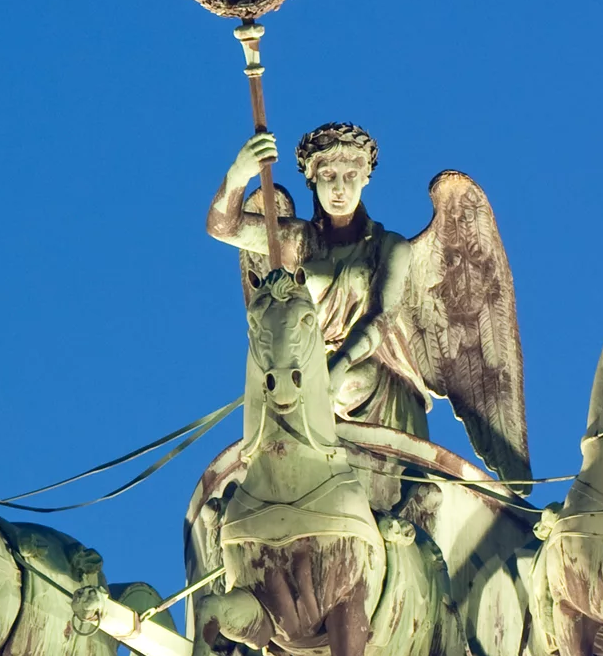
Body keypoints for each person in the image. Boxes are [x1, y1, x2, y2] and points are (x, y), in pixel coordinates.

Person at [205, 123, 530, 491]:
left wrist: (339, 367)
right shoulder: (295, 240)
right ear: (312, 179)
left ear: (366, 180)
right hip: (311, 379)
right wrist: (240, 172)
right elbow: (222, 226)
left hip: (378, 386)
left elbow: (382, 314)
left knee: (398, 482)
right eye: (328, 175)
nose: (340, 187)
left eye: (351, 175)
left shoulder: (390, 248)